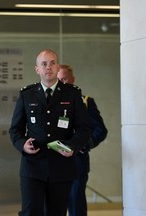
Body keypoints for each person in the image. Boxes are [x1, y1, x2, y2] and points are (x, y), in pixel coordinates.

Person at [9, 49, 91, 216]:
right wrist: (22, 145)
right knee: (30, 212)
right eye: (44, 64)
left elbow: (84, 128)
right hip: (32, 167)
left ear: (58, 67)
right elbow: (15, 129)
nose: (48, 67)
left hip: (61, 167)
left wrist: (72, 146)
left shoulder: (72, 94)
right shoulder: (27, 94)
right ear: (37, 69)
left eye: (52, 63)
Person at [58, 64, 108, 216]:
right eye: (59, 80)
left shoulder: (85, 102)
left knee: (76, 206)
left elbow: (100, 130)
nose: (62, 83)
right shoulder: (48, 103)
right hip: (53, 163)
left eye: (65, 79)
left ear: (72, 80)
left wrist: (83, 145)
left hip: (76, 163)